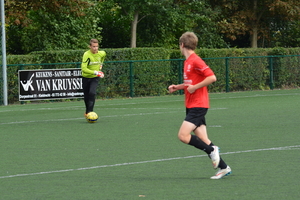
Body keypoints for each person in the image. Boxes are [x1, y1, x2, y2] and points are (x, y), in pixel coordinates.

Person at [168, 32, 231, 179]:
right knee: (203, 139)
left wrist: (195, 87)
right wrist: (178, 87)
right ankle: (224, 167)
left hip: (199, 105)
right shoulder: (187, 62)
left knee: (183, 136)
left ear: (182, 45)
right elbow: (190, 83)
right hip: (191, 104)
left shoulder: (196, 60)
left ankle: (211, 150)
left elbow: (212, 77)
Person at [81, 39, 106, 118]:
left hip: (94, 78)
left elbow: (103, 57)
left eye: (97, 46)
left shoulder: (102, 53)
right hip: (86, 77)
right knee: (86, 95)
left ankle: (90, 112)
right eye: (94, 46)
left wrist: (101, 65)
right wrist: (96, 72)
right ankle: (87, 111)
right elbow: (83, 69)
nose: (95, 48)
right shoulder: (86, 54)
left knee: (92, 93)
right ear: (90, 47)